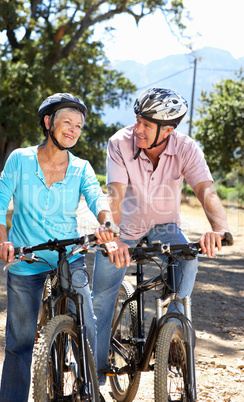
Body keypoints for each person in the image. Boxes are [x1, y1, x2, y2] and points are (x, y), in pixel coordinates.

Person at [92, 87, 229, 385]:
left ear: (167, 130)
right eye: (137, 120)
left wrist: (219, 229)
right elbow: (114, 195)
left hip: (165, 226)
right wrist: (112, 238)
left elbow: (206, 190)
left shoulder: (186, 147)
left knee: (188, 260)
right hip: (124, 226)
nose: (137, 129)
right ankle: (95, 379)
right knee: (101, 298)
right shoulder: (120, 142)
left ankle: (173, 331)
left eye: (146, 125)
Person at [0, 93, 114, 401]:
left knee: (85, 319)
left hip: (68, 255)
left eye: (79, 126)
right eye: (67, 123)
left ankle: (89, 389)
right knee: (19, 341)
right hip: (25, 257)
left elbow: (98, 199)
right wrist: (2, 241)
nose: (73, 130)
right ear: (48, 123)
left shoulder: (82, 167)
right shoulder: (20, 158)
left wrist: (106, 222)